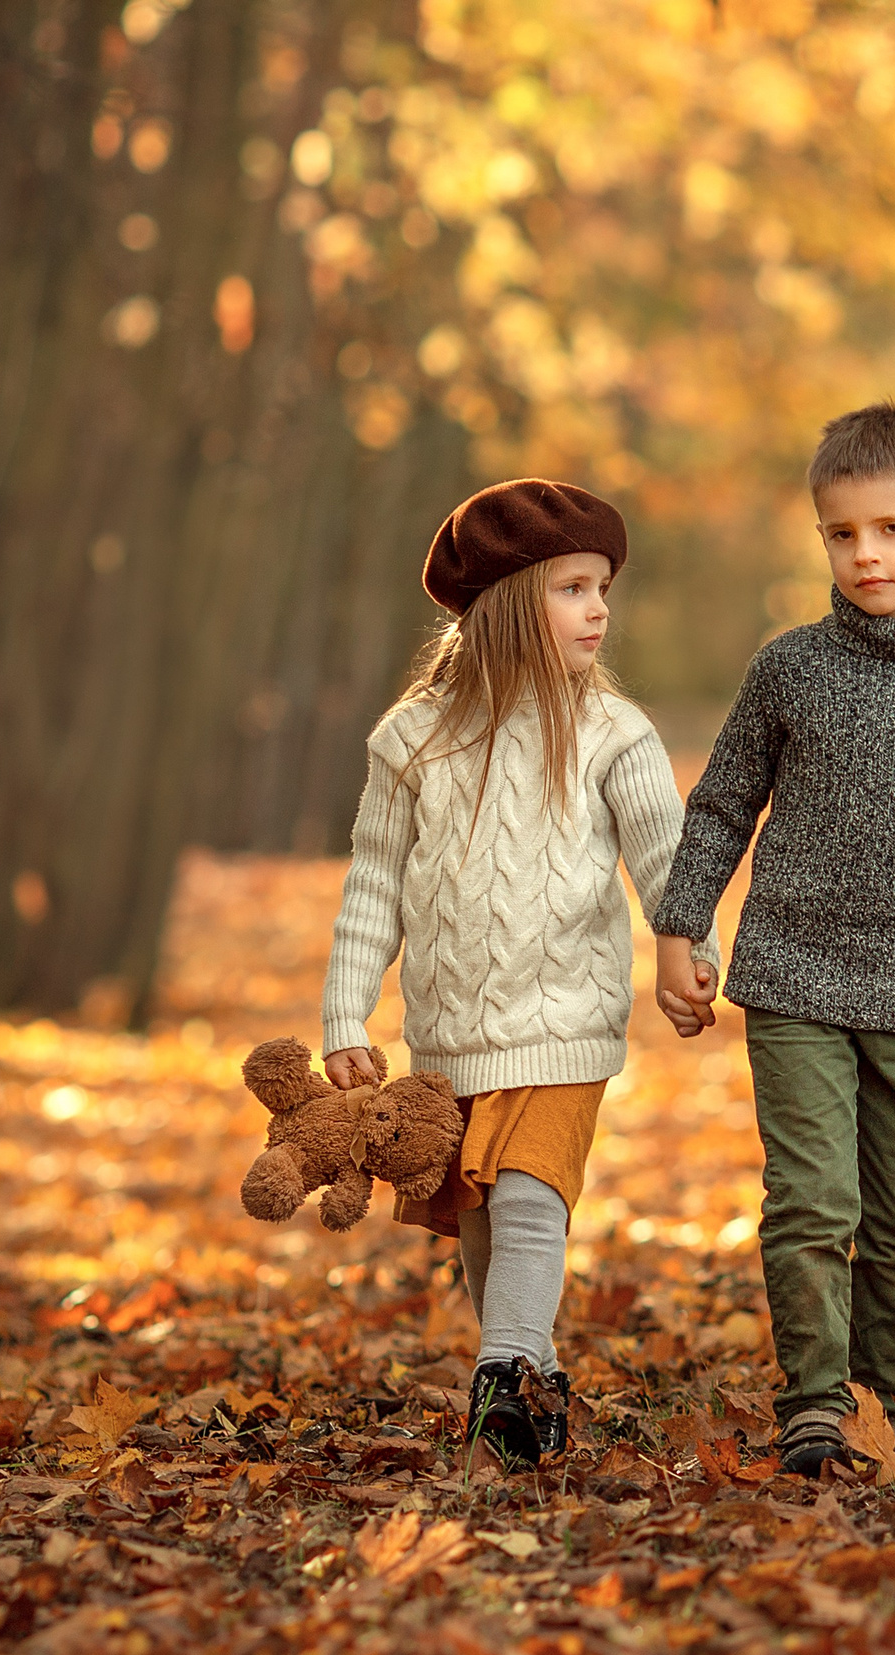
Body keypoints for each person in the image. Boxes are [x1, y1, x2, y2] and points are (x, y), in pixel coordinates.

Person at [648, 402, 895, 1479]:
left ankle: (882, 1398)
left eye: (889, 529)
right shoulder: (788, 671)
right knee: (814, 1200)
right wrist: (681, 924)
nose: (865, 553)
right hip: (791, 980)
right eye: (840, 533)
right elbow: (723, 803)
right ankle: (816, 1405)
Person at [320, 478, 718, 1470]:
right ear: (503, 602)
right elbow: (373, 882)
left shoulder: (609, 733)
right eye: (573, 589)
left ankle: (499, 1373)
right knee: (484, 1234)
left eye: (602, 589)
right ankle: (529, 1377)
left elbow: (667, 858)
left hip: (565, 1022)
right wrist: (345, 1013)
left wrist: (688, 951)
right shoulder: (411, 740)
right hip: (449, 1038)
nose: (598, 611)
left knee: (535, 1198)